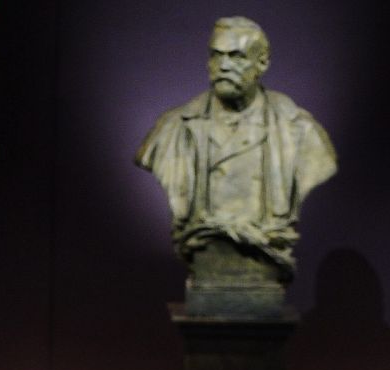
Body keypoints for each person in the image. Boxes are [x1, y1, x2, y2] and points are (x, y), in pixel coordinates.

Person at [134, 16, 336, 284]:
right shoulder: (172, 129)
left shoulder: (300, 133)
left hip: (262, 273)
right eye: (216, 56)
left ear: (262, 63)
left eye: (237, 56)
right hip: (204, 266)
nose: (224, 65)